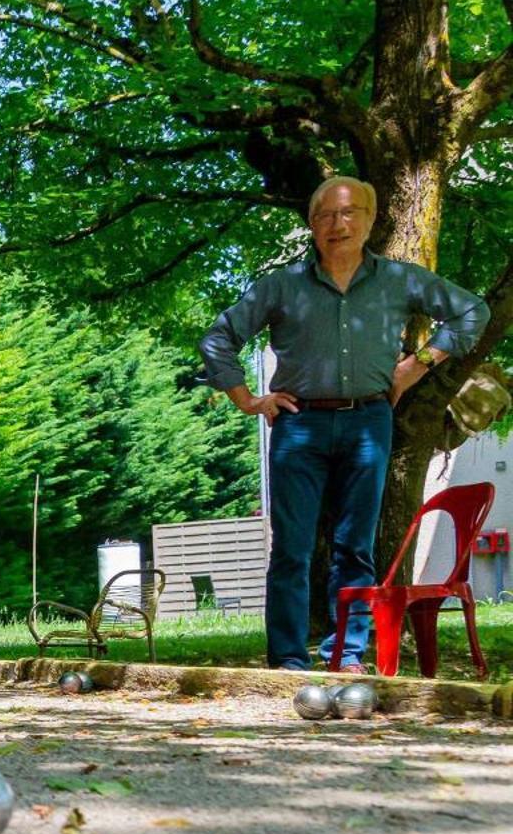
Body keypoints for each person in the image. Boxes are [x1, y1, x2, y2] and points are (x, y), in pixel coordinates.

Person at [199, 176, 487, 672]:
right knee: (291, 547)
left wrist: (417, 364)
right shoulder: (282, 284)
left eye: (351, 212)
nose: (339, 224)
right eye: (327, 215)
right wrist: (247, 400)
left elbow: (471, 311)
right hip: (299, 426)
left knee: (356, 546)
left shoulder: (401, 279)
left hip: (369, 422)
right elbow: (218, 338)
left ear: (371, 220)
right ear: (312, 225)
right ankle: (288, 660)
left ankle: (346, 654)